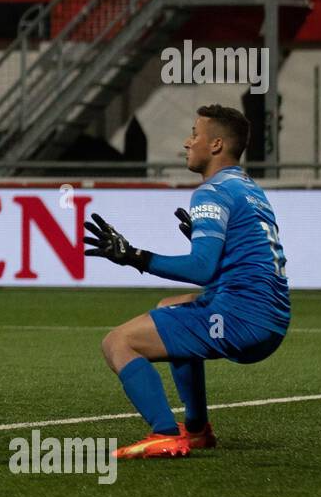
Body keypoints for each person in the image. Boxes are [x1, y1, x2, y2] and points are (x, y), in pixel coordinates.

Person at [86, 105, 290, 459]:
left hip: (243, 319)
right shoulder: (248, 188)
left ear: (216, 145)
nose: (187, 142)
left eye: (195, 134)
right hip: (271, 317)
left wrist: (134, 256)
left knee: (117, 342)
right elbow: (246, 255)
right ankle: (197, 429)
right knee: (170, 305)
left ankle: (164, 434)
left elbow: (201, 269)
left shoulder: (211, 192)